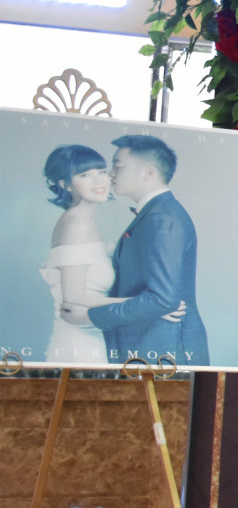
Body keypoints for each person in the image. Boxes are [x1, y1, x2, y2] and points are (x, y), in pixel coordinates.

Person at [65, 135, 206, 367]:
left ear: (148, 173)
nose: (110, 174)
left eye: (118, 166)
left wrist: (89, 316)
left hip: (164, 350)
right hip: (151, 346)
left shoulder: (161, 219)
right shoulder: (156, 213)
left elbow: (162, 300)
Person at [41, 144, 185, 366]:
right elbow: (75, 298)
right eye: (85, 175)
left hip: (95, 332)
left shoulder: (86, 221)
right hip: (79, 340)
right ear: (65, 184)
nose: (99, 181)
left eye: (101, 171)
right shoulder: (75, 225)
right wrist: (150, 307)